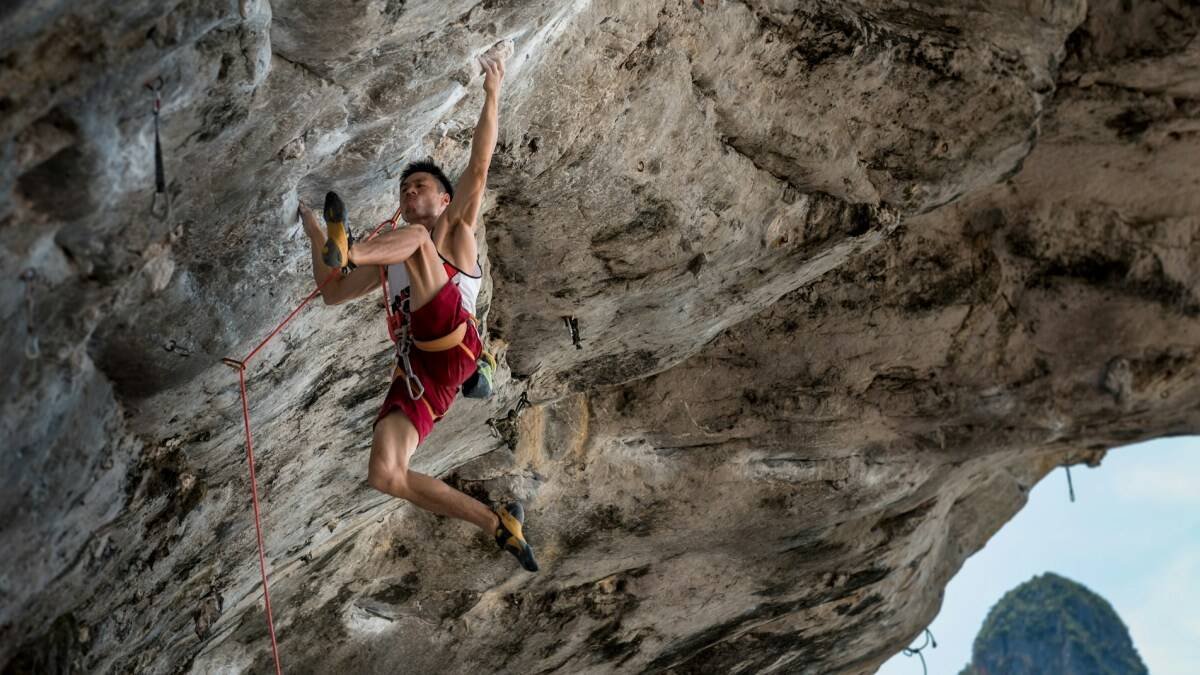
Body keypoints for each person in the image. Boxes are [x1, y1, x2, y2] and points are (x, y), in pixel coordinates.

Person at [297, 51, 537, 572]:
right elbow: (333, 293)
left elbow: (479, 163)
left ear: (445, 197)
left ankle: (350, 246)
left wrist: (493, 90)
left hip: (455, 339)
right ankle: (499, 524)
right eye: (405, 190)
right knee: (386, 473)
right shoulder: (395, 256)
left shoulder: (453, 228)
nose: (410, 192)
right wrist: (310, 222)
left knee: (412, 242)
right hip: (426, 372)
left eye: (420, 186)